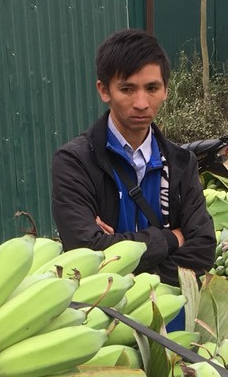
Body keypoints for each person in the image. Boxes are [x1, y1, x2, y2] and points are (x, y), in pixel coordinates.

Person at [51, 28, 216, 286]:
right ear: (104, 91)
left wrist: (123, 259)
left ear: (165, 91)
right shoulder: (75, 162)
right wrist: (172, 238)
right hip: (100, 315)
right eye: (127, 89)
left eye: (152, 88)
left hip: (170, 317)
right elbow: (86, 250)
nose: (141, 102)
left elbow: (203, 249)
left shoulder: (181, 163)